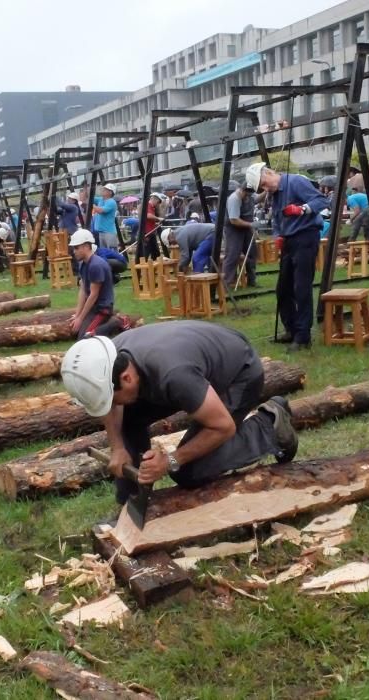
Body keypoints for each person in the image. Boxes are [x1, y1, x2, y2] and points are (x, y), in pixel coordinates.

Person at [60, 322, 298, 505]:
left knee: (188, 471)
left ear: (127, 378)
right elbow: (111, 405)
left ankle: (269, 425)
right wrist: (117, 448)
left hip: (238, 374)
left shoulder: (173, 375)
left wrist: (170, 461)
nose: (111, 404)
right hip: (190, 369)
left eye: (111, 398)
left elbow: (223, 427)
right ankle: (131, 502)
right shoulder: (111, 359)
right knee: (128, 419)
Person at [247, 162, 329, 351]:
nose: (265, 188)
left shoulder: (296, 182)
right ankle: (291, 329)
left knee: (301, 287)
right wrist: (278, 236)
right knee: (283, 289)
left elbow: (322, 201)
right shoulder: (274, 195)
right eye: (262, 187)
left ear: (268, 172)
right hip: (290, 240)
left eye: (264, 183)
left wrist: (302, 209)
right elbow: (277, 219)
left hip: (305, 237)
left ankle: (303, 336)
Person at [69, 229, 120, 339]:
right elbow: (83, 290)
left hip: (102, 309)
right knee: (76, 332)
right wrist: (77, 315)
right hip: (93, 308)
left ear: (86, 246)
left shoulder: (96, 265)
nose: (74, 251)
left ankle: (115, 322)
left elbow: (93, 295)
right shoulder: (83, 263)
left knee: (85, 338)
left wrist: (80, 318)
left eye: (76, 248)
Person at [222, 185, 258, 288]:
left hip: (246, 228)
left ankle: (252, 281)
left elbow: (257, 198)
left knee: (251, 253)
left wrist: (266, 191)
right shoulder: (234, 199)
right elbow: (234, 220)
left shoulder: (250, 195)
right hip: (234, 229)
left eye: (249, 195)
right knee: (232, 255)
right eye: (246, 194)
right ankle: (226, 284)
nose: (247, 197)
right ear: (242, 190)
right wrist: (251, 224)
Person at [92, 183, 119, 249]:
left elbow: (101, 210)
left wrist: (92, 205)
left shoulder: (111, 202)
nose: (103, 190)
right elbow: (89, 197)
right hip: (101, 232)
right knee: (105, 253)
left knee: (112, 253)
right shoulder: (101, 199)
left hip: (109, 233)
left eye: (105, 189)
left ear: (110, 192)